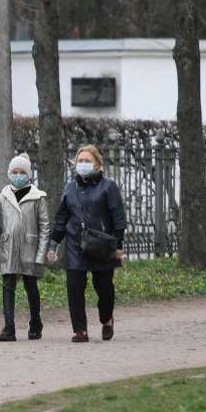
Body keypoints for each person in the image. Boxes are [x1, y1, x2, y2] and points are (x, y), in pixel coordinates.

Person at [47, 145, 127, 342]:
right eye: (80, 160)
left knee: (104, 287)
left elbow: (118, 219)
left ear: (98, 164)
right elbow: (61, 218)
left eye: (87, 161)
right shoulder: (69, 188)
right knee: (74, 287)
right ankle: (80, 330)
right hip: (76, 244)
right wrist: (53, 244)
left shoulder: (108, 186)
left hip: (101, 244)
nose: (83, 164)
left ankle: (106, 319)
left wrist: (117, 246)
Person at [0, 153, 51, 342]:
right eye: (14, 172)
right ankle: (9, 327)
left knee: (31, 287)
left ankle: (35, 322)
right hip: (8, 248)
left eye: (21, 172)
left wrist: (40, 256)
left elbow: (45, 227)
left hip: (29, 249)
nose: (18, 175)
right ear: (9, 173)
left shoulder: (38, 197)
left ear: (28, 174)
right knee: (8, 287)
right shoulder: (2, 197)